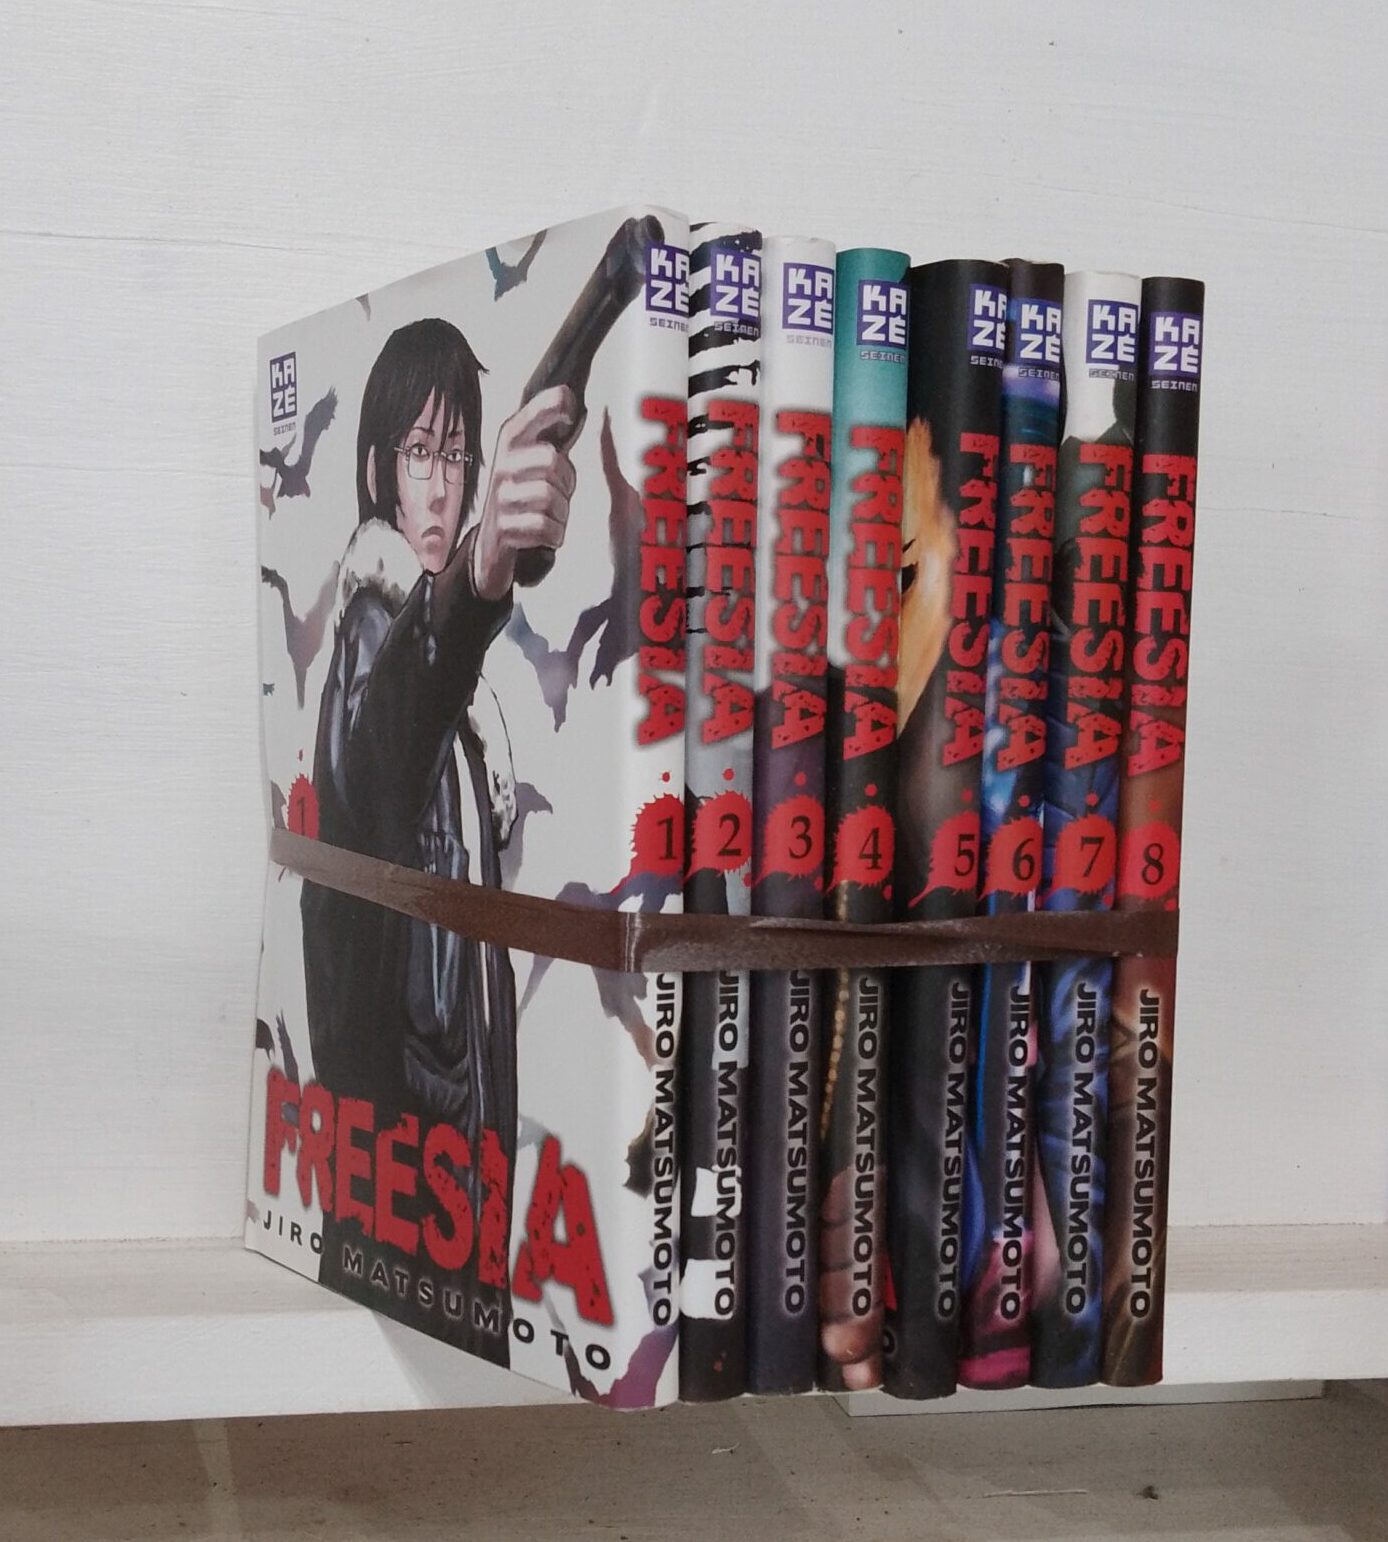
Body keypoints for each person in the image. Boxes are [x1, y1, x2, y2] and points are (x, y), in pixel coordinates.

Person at [301, 317, 578, 1364]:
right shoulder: (373, 639)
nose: (442, 486)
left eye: (458, 458)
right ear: (379, 470)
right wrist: (485, 570)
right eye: (420, 453)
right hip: (403, 1195)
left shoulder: (464, 716)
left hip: (455, 1187)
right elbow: (392, 721)